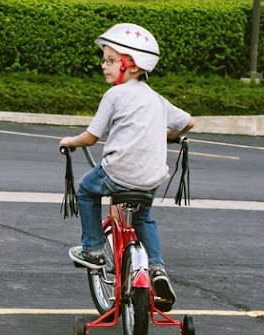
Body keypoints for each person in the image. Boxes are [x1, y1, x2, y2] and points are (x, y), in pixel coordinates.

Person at [58, 23, 194, 311]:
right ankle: (157, 269)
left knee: (86, 190)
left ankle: (93, 248)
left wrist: (70, 141)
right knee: (144, 218)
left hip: (117, 173)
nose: (103, 65)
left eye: (110, 60)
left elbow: (91, 137)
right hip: (150, 179)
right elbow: (188, 123)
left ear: (132, 67)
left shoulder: (114, 95)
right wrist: (163, 135)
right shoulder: (156, 98)